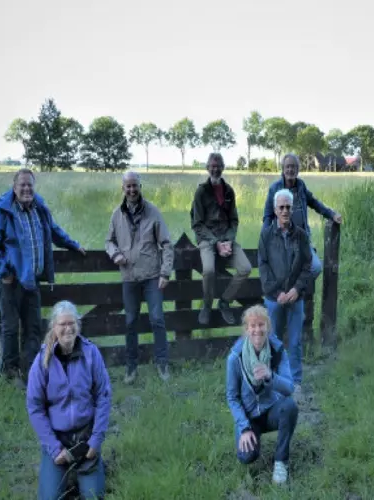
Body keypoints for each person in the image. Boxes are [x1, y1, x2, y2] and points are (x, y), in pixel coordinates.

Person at [0, 168, 86, 387]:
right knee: (10, 328)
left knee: (33, 328)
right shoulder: (2, 210)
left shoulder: (39, 208)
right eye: (22, 185)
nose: (27, 189)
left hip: (33, 281)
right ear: (14, 186)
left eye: (30, 185)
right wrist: (4, 272)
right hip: (11, 282)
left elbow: (54, 231)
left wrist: (73, 245)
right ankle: (10, 373)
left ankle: (30, 371)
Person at [26, 300, 112, 500]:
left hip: (86, 437)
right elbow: (34, 407)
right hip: (58, 439)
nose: (67, 328)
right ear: (54, 328)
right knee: (49, 498)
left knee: (93, 497)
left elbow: (103, 397)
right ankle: (64, 471)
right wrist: (55, 448)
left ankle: (87, 469)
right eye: (62, 324)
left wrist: (95, 441)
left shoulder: (91, 354)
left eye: (71, 323)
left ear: (78, 325)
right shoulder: (42, 361)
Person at [105, 171, 174, 384]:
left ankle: (162, 364)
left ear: (140, 186)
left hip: (152, 276)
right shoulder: (117, 214)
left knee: (157, 320)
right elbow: (108, 241)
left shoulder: (153, 212)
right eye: (128, 186)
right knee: (130, 322)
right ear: (123, 189)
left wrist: (165, 272)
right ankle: (131, 367)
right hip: (129, 277)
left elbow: (167, 244)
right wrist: (115, 253)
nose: (132, 190)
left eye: (135, 185)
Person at [225, 305, 299, 485]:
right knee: (246, 457)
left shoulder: (278, 351)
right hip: (249, 416)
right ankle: (251, 437)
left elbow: (289, 388)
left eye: (261, 325)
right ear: (246, 329)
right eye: (252, 326)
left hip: (271, 410)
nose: (257, 330)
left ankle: (281, 462)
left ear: (268, 327)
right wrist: (243, 428)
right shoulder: (235, 357)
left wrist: (270, 376)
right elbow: (232, 397)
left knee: (289, 406)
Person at [258, 189, 312, 395]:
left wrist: (297, 289)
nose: (285, 211)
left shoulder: (301, 235)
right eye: (281, 207)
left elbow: (307, 265)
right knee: (273, 340)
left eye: (288, 207)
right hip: (274, 299)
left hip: (295, 298)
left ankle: (296, 381)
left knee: (296, 341)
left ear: (293, 208)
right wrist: (277, 292)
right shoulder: (266, 235)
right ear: (274, 210)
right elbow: (263, 266)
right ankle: (273, 378)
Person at [191, 153, 252, 325]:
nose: (215, 169)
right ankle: (207, 305)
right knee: (209, 270)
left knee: (245, 268)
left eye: (218, 165)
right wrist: (215, 242)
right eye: (212, 165)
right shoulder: (201, 192)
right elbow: (197, 224)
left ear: (223, 167)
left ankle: (225, 301)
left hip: (226, 240)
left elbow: (234, 220)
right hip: (207, 240)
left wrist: (228, 240)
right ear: (207, 168)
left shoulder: (229, 191)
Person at [262, 153, 343, 280]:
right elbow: (267, 216)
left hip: (301, 239)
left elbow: (314, 203)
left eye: (293, 167)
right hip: (282, 240)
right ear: (283, 169)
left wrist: (331, 214)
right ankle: (293, 296)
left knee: (316, 267)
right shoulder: (275, 188)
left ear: (298, 170)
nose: (290, 170)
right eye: (288, 166)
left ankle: (297, 292)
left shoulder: (301, 186)